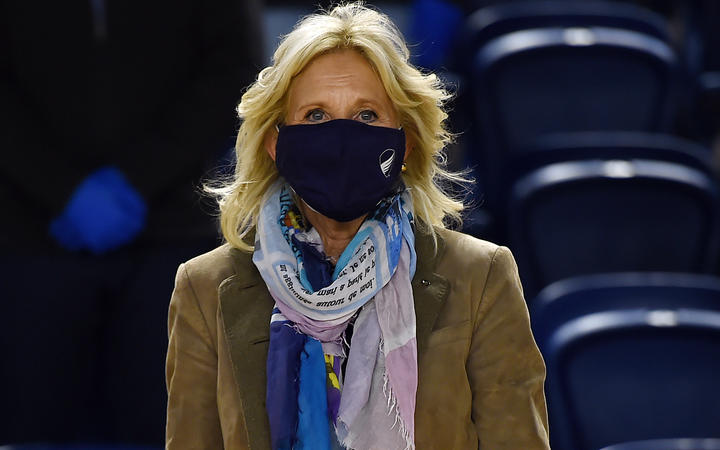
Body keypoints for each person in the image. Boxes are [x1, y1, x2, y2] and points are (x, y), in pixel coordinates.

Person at [165, 3, 549, 449]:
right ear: (275, 143)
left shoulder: (481, 277)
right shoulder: (205, 287)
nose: (341, 139)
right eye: (316, 116)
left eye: (367, 115)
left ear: (404, 141)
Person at [0, 0, 262, 445]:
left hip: (177, 229)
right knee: (32, 424)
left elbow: (232, 70)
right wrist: (63, 190)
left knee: (170, 423)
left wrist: (137, 179)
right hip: (28, 232)